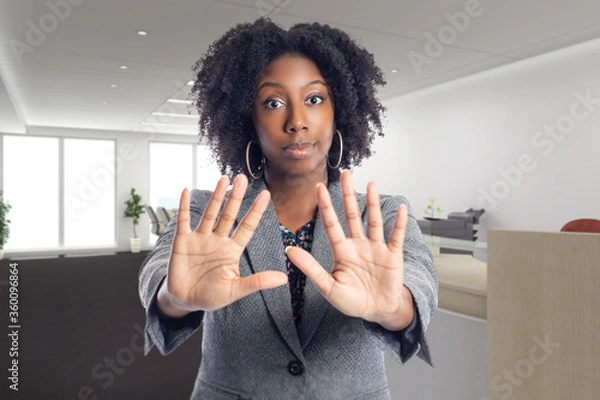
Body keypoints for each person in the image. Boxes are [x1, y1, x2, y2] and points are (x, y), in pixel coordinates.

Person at [139, 18, 438, 399]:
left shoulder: (383, 215)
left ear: (338, 111)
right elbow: (158, 272)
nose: (297, 122)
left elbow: (421, 282)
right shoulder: (209, 212)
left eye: (314, 99)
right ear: (249, 119)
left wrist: (394, 307)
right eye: (273, 103)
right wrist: (173, 298)